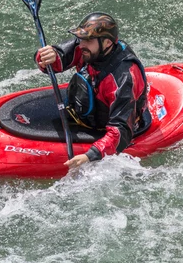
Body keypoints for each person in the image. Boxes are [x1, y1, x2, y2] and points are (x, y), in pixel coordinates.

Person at [35, 12, 151, 169]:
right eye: (81, 39)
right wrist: (46, 57)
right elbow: (58, 59)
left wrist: (90, 156)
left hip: (112, 126)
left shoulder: (123, 78)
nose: (81, 44)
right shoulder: (88, 48)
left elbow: (121, 130)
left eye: (88, 40)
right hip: (85, 114)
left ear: (107, 43)